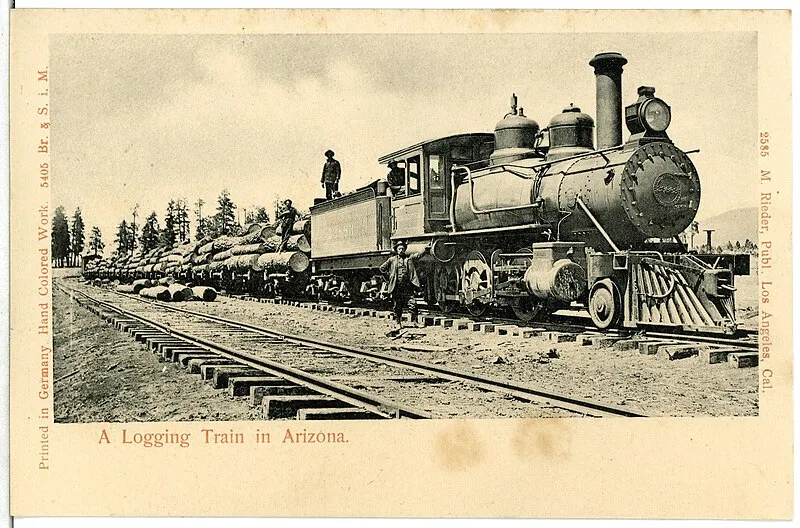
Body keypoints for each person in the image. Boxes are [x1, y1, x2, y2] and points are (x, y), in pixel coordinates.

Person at [379, 240, 430, 331]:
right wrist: (389, 278)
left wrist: (425, 249)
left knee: (413, 304)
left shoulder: (409, 258)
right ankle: (398, 323)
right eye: (399, 249)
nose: (401, 250)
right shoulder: (392, 260)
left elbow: (418, 255)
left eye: (402, 248)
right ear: (396, 250)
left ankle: (415, 322)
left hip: (407, 287)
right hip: (397, 287)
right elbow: (382, 268)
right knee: (397, 306)